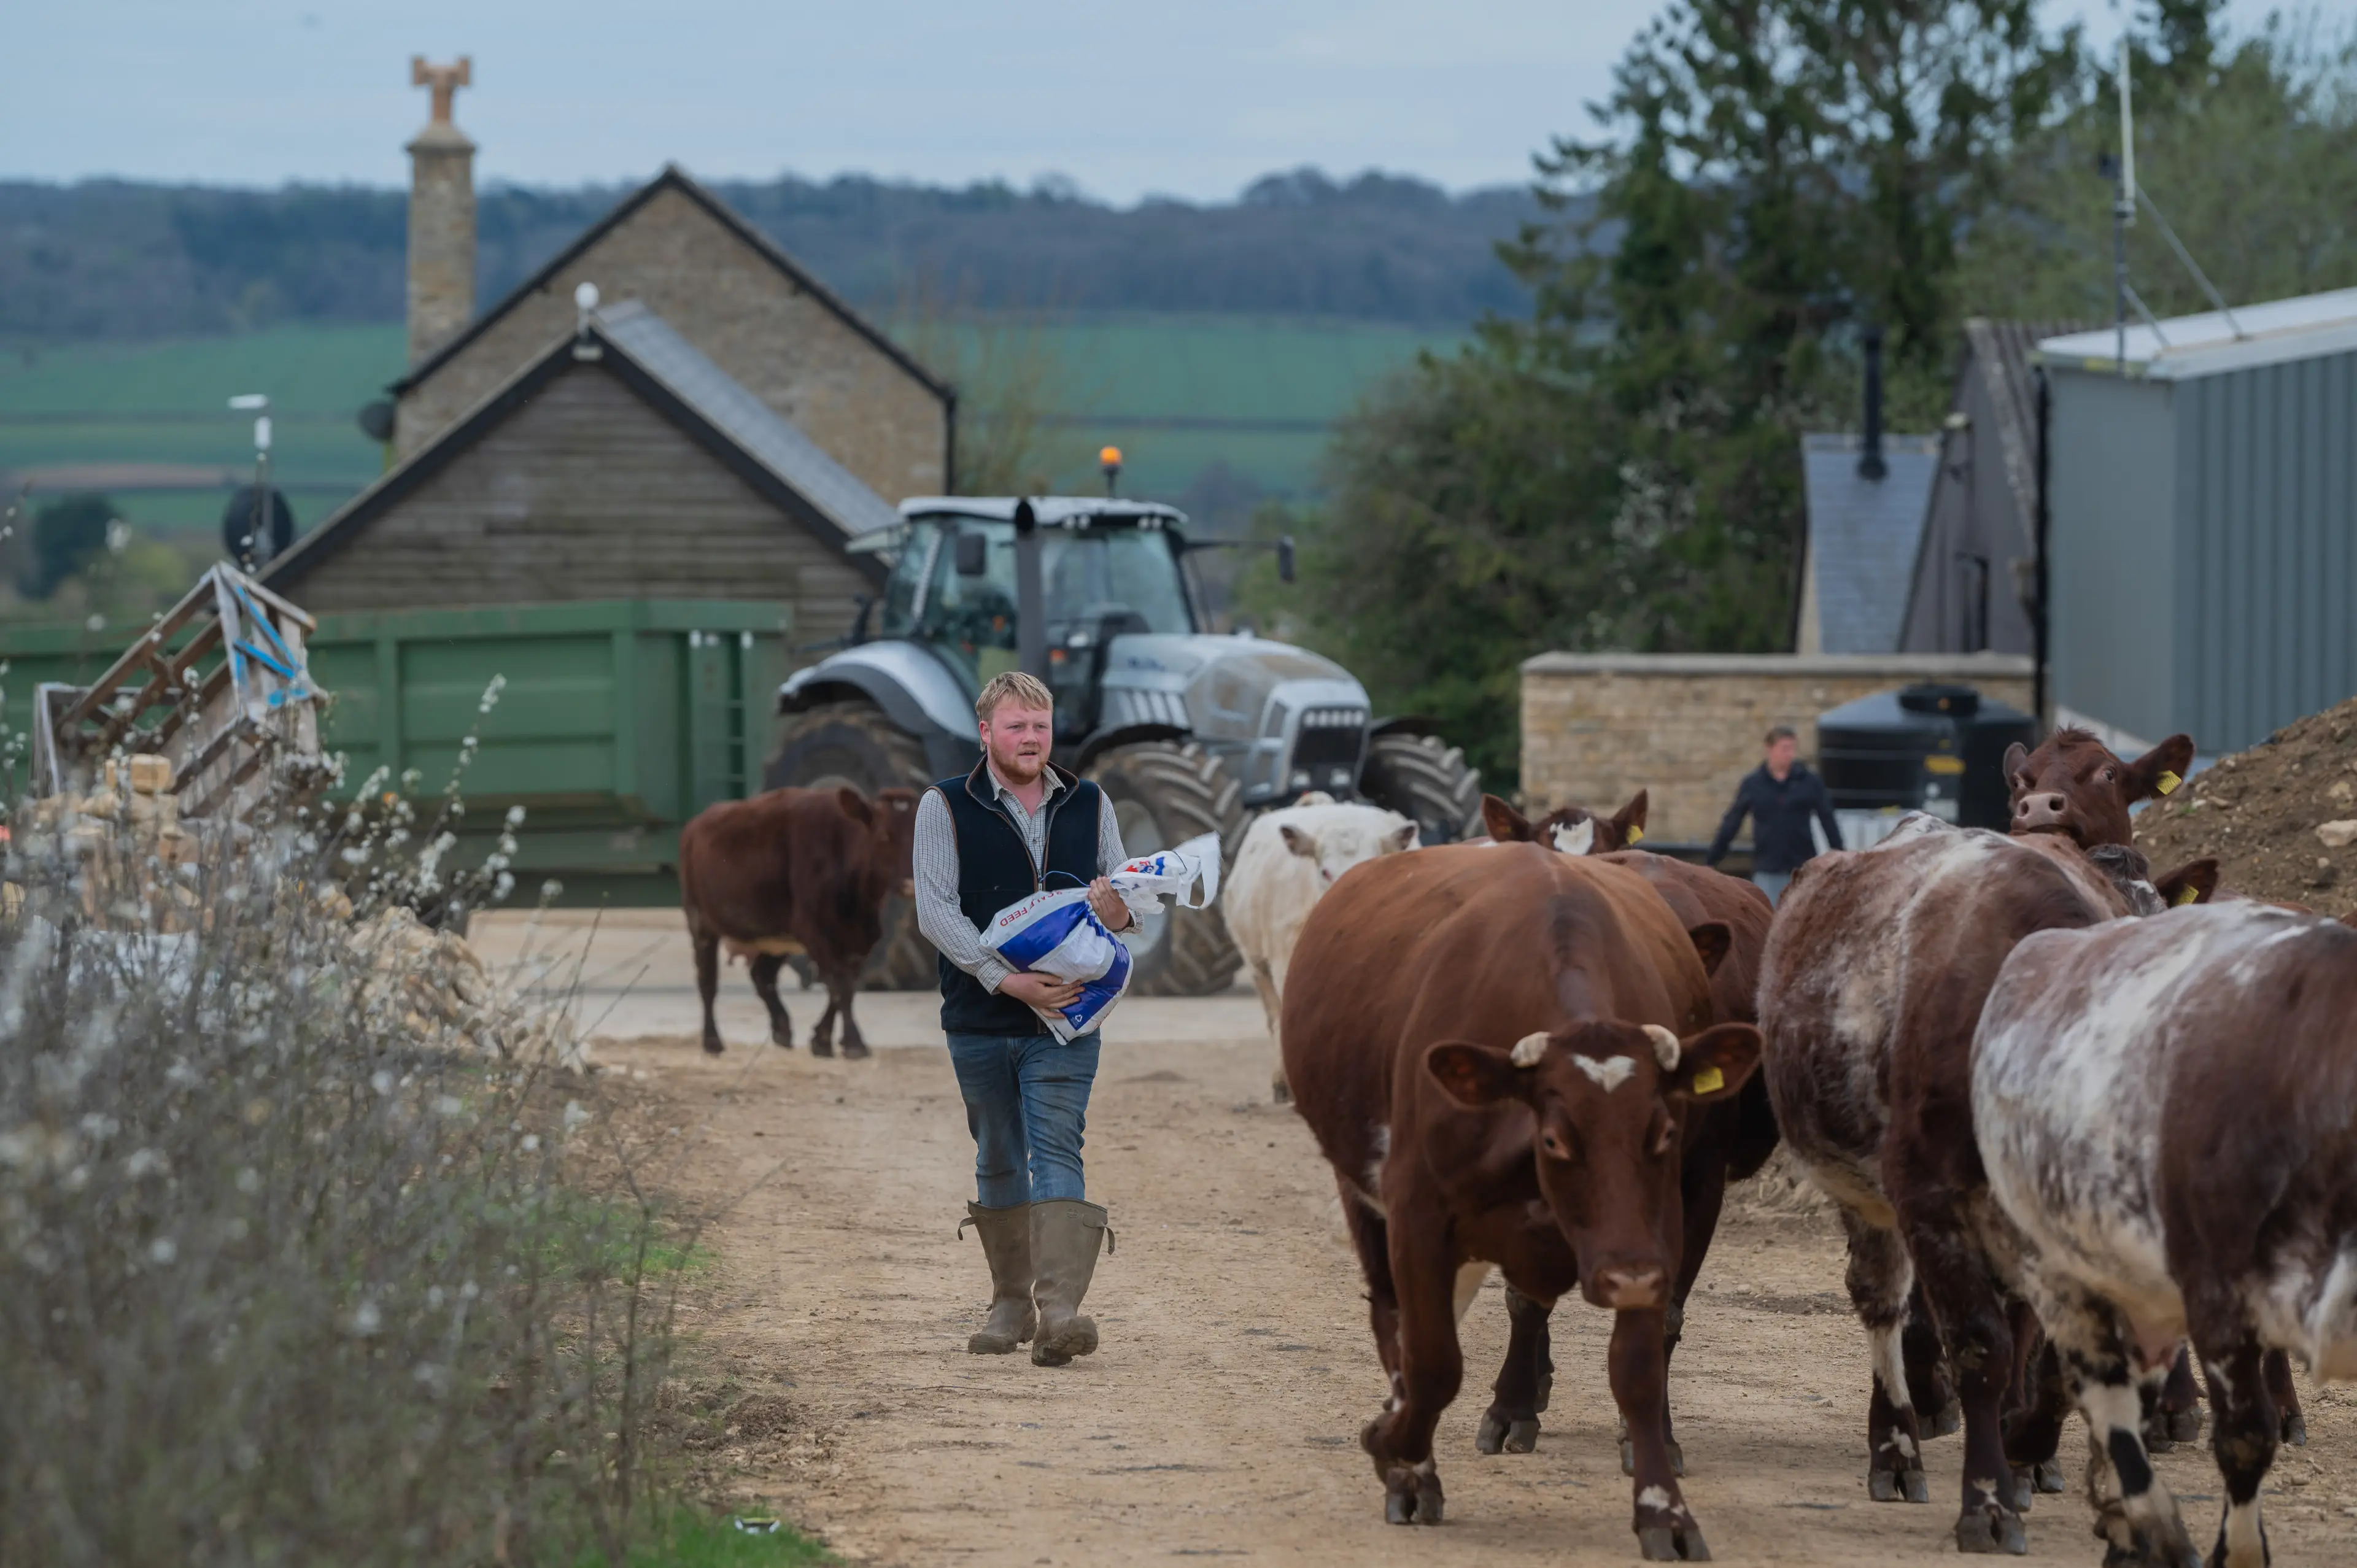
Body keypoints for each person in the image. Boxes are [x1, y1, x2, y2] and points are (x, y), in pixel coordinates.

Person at [912, 670, 1136, 1366]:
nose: (1032, 737)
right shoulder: (943, 806)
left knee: (1059, 1149)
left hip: (1068, 1020)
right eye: (1017, 726)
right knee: (999, 1153)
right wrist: (1005, 978)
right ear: (987, 733)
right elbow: (936, 910)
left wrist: (1119, 907)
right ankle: (1008, 1301)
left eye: (1040, 725)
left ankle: (1059, 1307)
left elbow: (1127, 894)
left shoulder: (1091, 803)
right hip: (979, 1017)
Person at [1705, 725, 1843, 906]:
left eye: (1793, 749)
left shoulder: (1809, 782)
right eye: (1785, 749)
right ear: (1769, 749)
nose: (1790, 754)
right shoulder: (1753, 784)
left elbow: (1828, 819)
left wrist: (1840, 854)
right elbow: (1732, 822)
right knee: (1767, 920)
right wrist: (1712, 860)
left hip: (1803, 868)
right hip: (1768, 868)